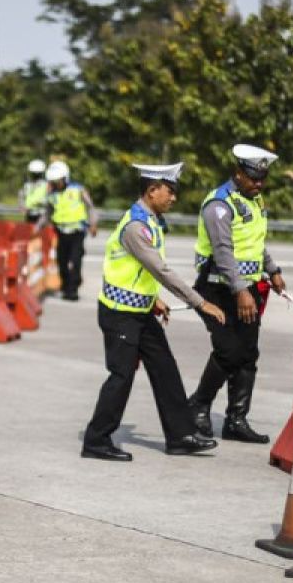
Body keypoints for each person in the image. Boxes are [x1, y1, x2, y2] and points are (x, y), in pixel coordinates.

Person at [82, 162, 226, 461]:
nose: (173, 197)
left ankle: (180, 436)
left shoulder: (150, 220)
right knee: (121, 376)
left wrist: (155, 299)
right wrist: (200, 302)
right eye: (169, 191)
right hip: (120, 313)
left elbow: (141, 272)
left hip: (140, 311)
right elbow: (161, 270)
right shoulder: (136, 227)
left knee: (165, 368)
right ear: (151, 191)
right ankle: (96, 439)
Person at [186, 144, 287, 444]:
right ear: (238, 173)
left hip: (247, 287)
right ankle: (198, 406)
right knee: (229, 350)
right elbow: (224, 252)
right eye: (254, 177)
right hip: (217, 288)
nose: (259, 184)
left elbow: (254, 243)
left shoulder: (254, 201)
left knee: (248, 354)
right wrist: (241, 291)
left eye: (262, 178)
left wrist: (273, 269)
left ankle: (236, 419)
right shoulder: (219, 205)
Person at [36, 160, 97, 300]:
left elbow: (91, 207)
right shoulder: (51, 195)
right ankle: (65, 286)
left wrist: (93, 223)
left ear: (65, 178)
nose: (54, 184)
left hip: (77, 232)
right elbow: (47, 214)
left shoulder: (78, 190)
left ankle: (73, 290)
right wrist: (37, 228)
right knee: (61, 262)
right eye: (52, 181)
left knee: (75, 261)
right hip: (61, 232)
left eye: (57, 181)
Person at [19, 159, 48, 223]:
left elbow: (48, 201)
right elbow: (22, 197)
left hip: (42, 215)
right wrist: (23, 206)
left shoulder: (46, 185)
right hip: (29, 215)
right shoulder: (27, 185)